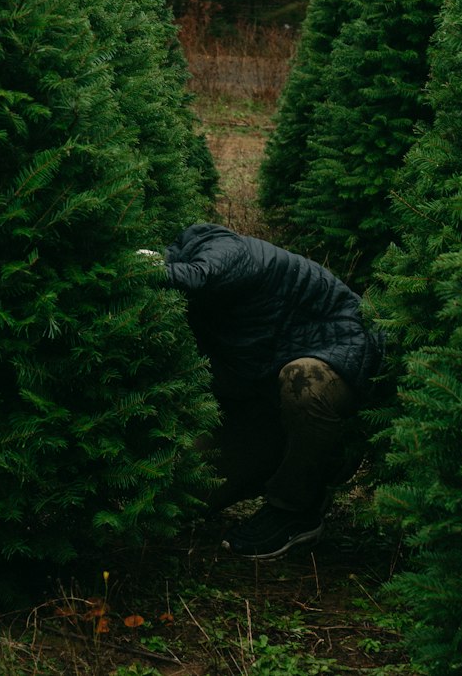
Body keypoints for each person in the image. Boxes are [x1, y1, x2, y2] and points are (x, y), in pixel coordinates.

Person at [163, 222, 385, 560]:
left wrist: (143, 271)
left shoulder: (220, 248)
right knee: (186, 495)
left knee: (303, 381)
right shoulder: (191, 307)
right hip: (265, 396)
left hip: (336, 357)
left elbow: (201, 274)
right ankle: (291, 456)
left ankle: (296, 506)